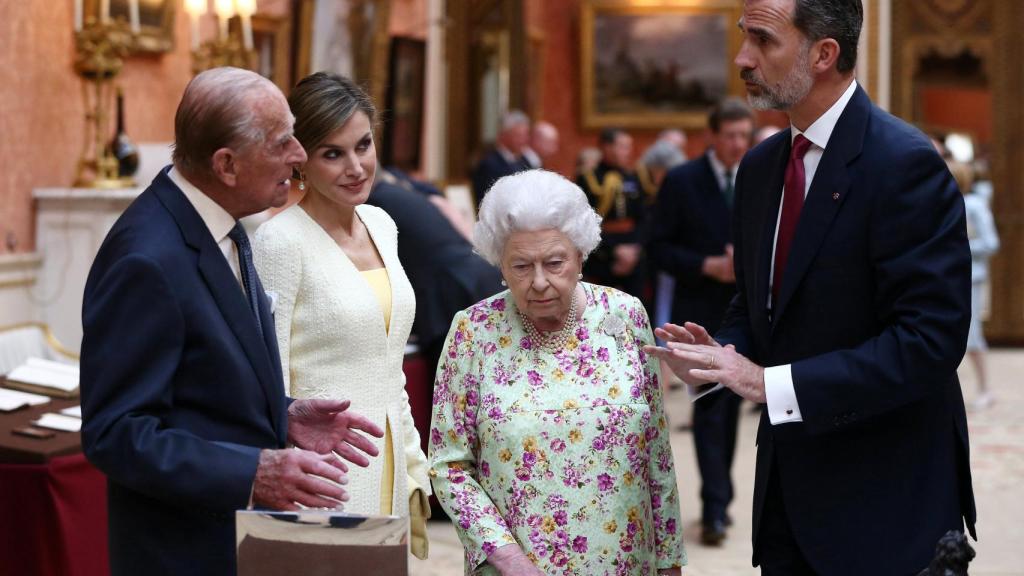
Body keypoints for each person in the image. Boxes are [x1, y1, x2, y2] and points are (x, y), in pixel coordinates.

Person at [646, 1, 976, 574]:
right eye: (743, 37)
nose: (741, 58)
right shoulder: (760, 167)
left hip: (887, 501)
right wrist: (720, 353)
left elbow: (929, 342)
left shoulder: (905, 165)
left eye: (763, 41)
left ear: (824, 53)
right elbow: (760, 305)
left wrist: (769, 383)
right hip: (788, 498)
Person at [80, 67, 385, 575]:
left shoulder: (224, 218)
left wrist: (281, 413)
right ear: (227, 165)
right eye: (282, 142)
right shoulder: (147, 259)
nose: (299, 155)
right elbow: (116, 433)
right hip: (183, 551)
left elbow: (203, 380)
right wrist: (253, 471)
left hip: (241, 542)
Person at [429, 170, 686, 575]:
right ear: (500, 263)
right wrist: (507, 558)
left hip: (624, 563)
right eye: (520, 266)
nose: (540, 282)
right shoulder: (473, 331)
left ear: (580, 254)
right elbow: (449, 465)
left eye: (554, 262)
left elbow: (655, 446)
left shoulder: (624, 315)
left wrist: (670, 560)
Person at [252, 72, 431, 557]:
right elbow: (267, 378)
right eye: (333, 153)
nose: (356, 167)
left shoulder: (382, 223)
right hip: (319, 471)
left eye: (363, 145)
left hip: (389, 459)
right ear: (300, 159)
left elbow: (388, 363)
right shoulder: (279, 241)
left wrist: (413, 462)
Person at [651, 97, 754, 547]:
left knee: (731, 411)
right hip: (699, 310)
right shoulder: (682, 181)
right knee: (710, 410)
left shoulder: (758, 176)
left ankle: (721, 500)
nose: (737, 144)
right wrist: (706, 265)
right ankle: (714, 508)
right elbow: (658, 249)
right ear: (712, 136)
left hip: (746, 313)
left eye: (744, 136)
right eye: (730, 135)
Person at [947, 160, 1000, 410]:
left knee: (972, 335)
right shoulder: (940, 203)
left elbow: (991, 243)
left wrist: (959, 247)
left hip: (971, 277)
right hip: (945, 276)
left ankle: (985, 389)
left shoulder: (975, 205)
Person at [578, 128, 648, 303]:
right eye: (623, 146)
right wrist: (613, 252)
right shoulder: (589, 179)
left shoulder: (633, 177)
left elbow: (644, 218)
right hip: (602, 256)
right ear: (606, 148)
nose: (628, 152)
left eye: (628, 147)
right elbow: (584, 223)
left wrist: (634, 250)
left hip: (633, 254)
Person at [472, 110, 533, 206]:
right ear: (504, 135)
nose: (524, 140)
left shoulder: (525, 161)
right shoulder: (489, 164)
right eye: (519, 136)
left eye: (526, 135)